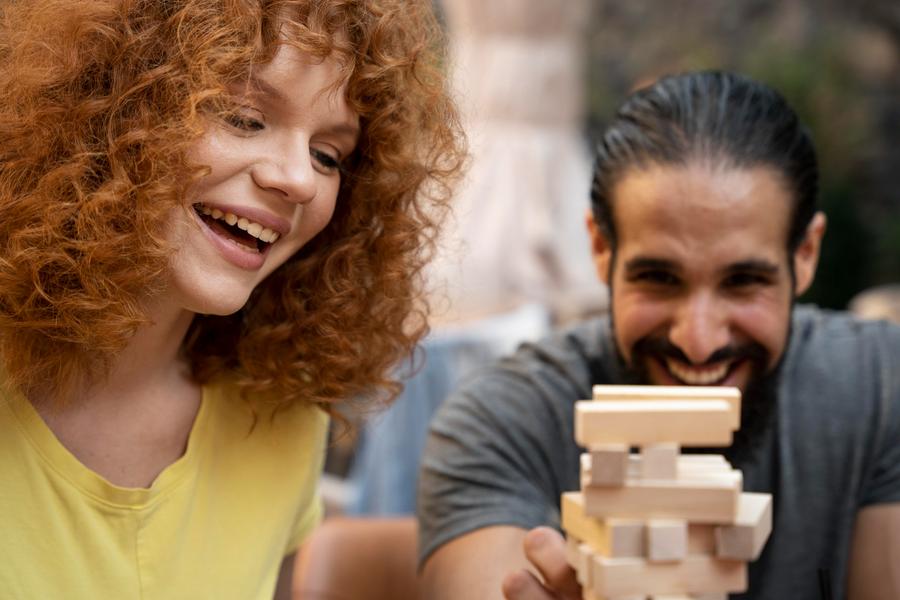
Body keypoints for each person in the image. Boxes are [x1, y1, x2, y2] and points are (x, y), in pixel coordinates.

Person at [0, 0, 463, 598]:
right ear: (104, 106)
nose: (298, 178)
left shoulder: (281, 418)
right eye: (245, 117)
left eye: (329, 155)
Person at [417, 71, 900, 600]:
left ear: (805, 254)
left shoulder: (881, 386)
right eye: (659, 279)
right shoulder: (499, 422)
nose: (698, 341)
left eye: (743, 282)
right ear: (601, 249)